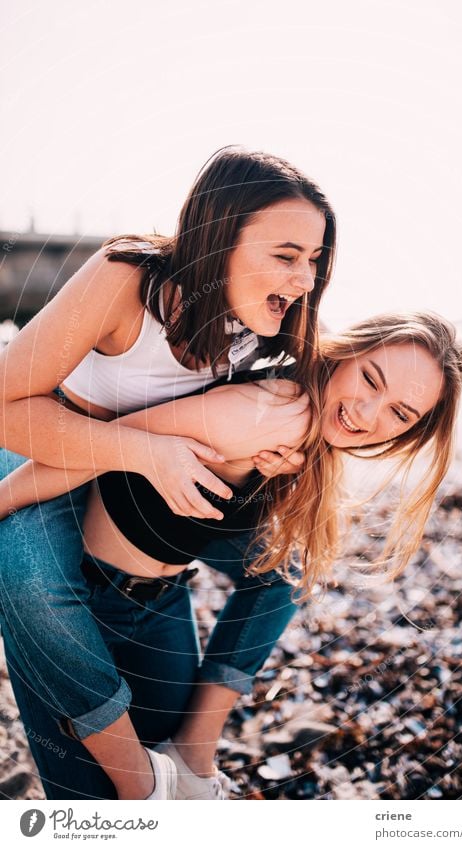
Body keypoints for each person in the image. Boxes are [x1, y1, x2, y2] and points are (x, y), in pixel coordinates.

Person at [0, 311, 462, 799]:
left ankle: (194, 756)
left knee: (291, 561)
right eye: (371, 380)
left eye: (399, 413)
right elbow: (94, 449)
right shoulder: (260, 412)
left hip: (162, 605)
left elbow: (308, 317)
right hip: (79, 611)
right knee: (96, 810)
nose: (368, 414)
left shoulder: (310, 430)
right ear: (348, 353)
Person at [0, 146, 336, 799]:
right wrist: (142, 452)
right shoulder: (127, 281)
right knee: (27, 579)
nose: (304, 279)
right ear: (219, 235)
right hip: (52, 442)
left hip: (143, 485)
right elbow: (7, 407)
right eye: (286, 255)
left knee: (289, 564)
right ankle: (142, 783)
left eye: (314, 260)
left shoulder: (269, 325)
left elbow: (321, 395)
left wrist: (273, 457)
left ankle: (192, 752)